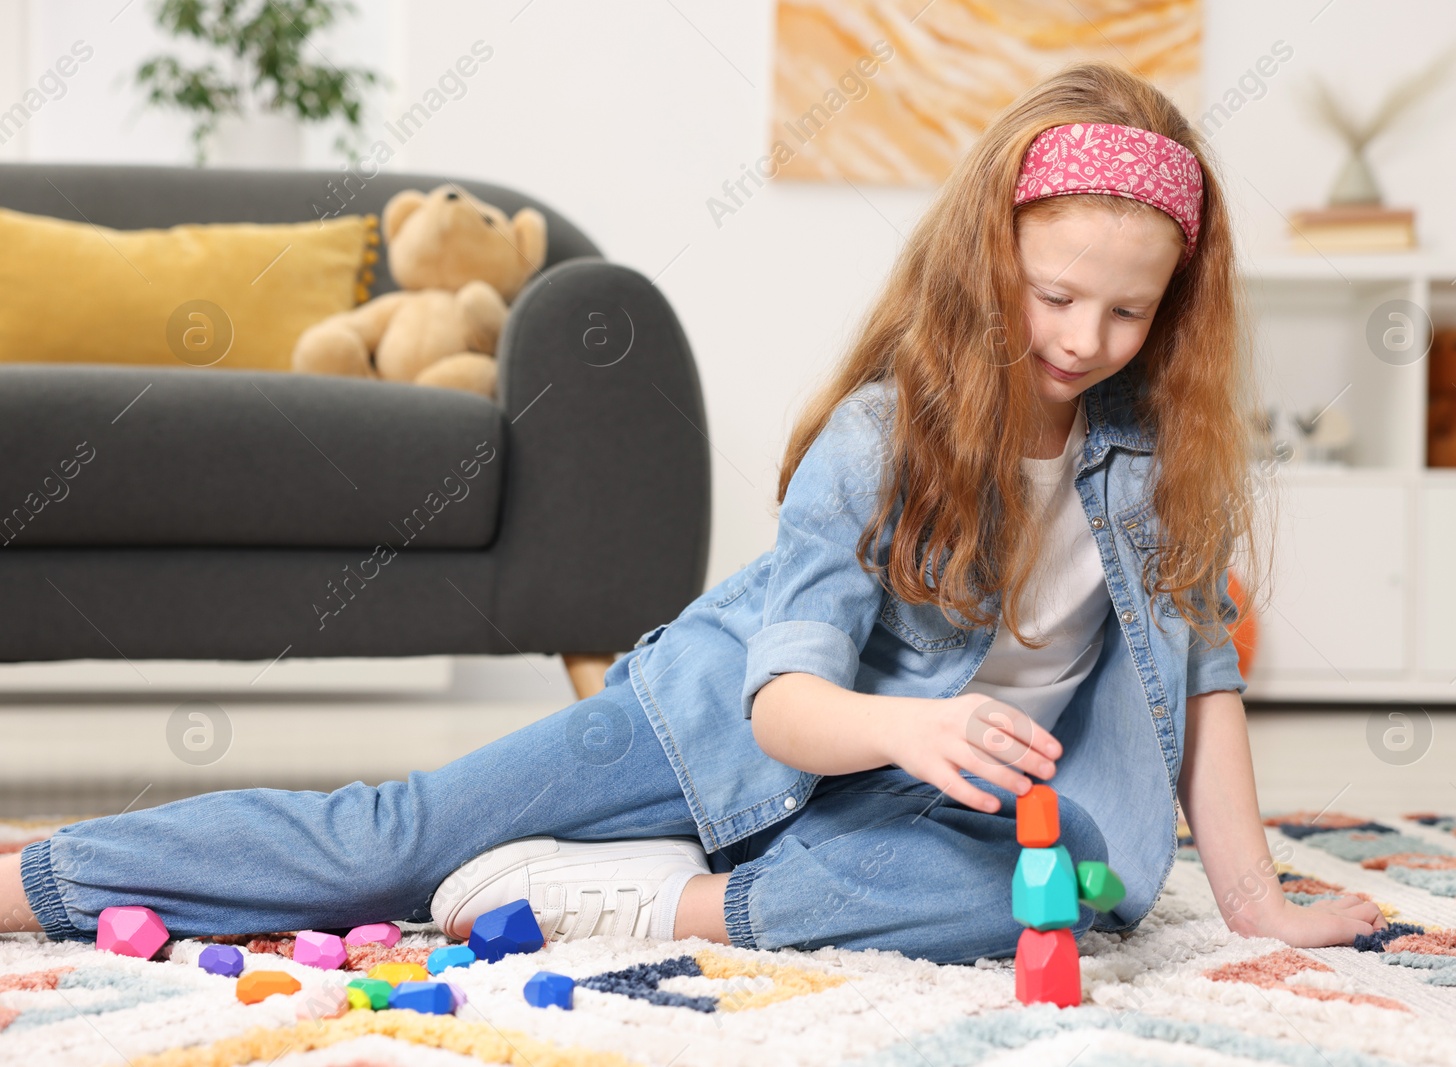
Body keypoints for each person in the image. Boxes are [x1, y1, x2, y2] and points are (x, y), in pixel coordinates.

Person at [0, 61, 1385, 966]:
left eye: (1129, 311)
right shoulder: (880, 439)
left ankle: (648, 899)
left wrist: (1257, 908)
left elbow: (1200, 688)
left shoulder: (1156, 466)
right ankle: (33, 882)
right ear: (986, 263)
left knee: (1063, 905)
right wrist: (915, 722)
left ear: (1176, 314)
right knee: (390, 843)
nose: (1085, 337)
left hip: (919, 803)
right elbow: (786, 702)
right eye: (1054, 294)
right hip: (721, 726)